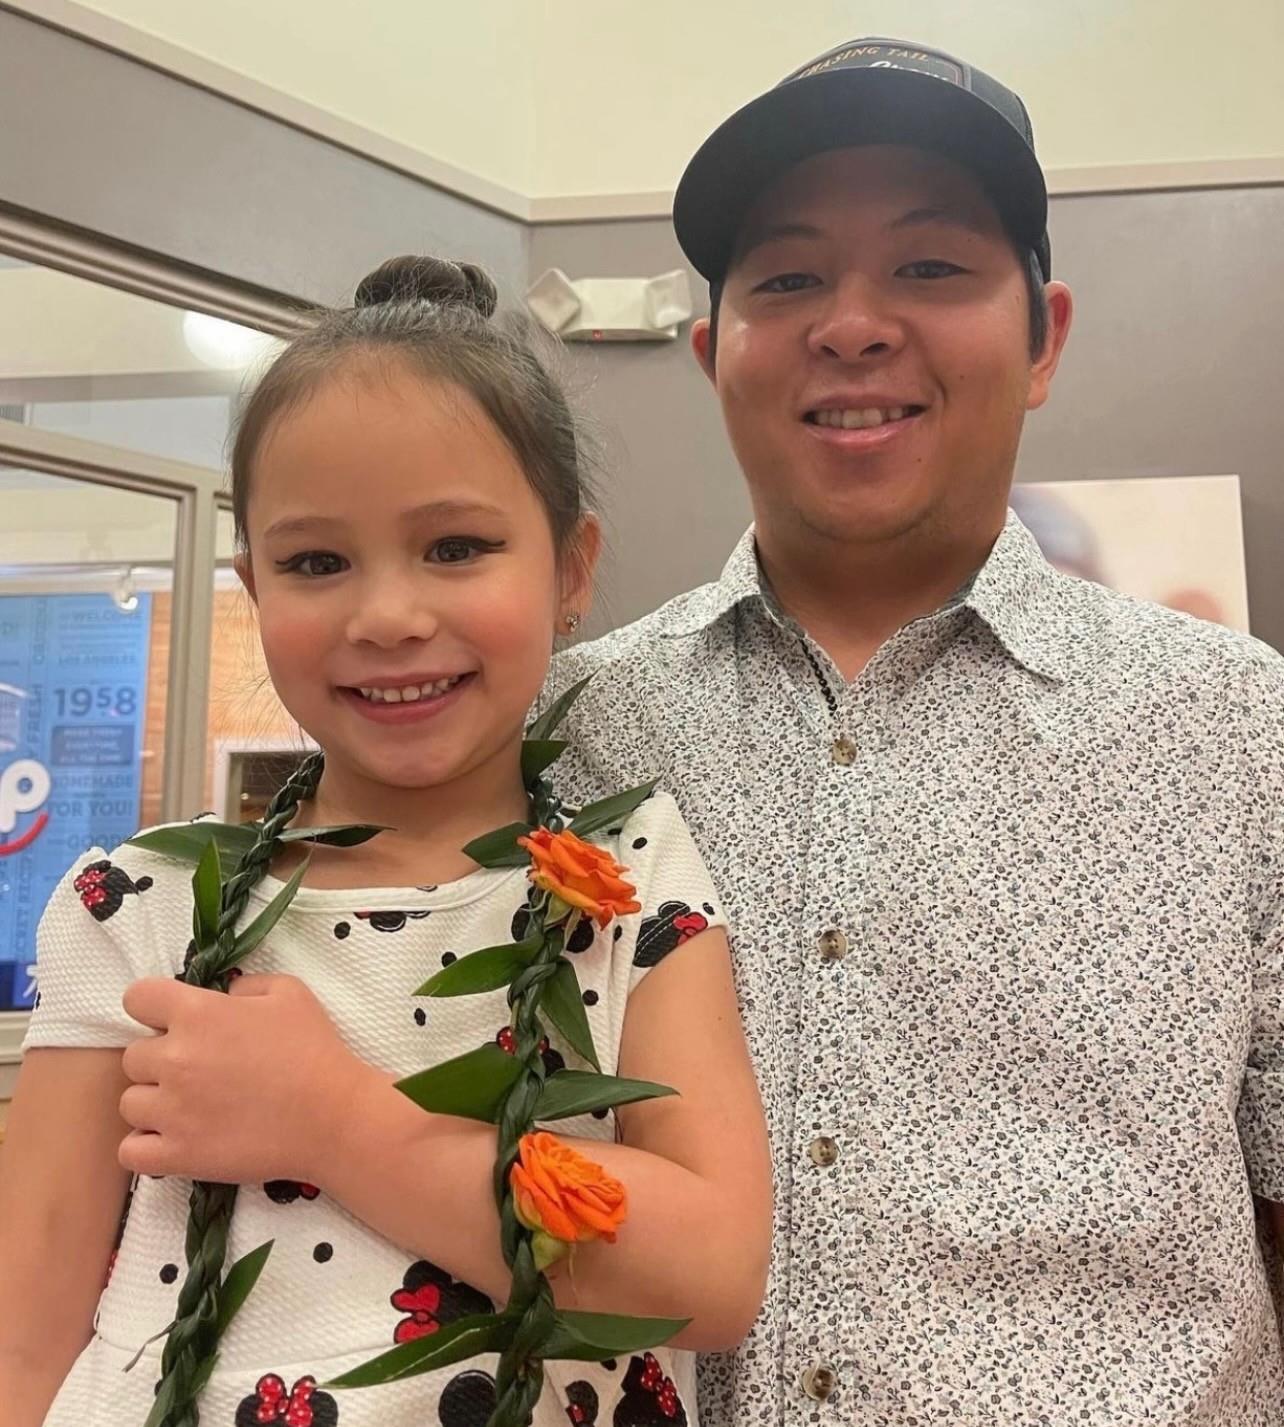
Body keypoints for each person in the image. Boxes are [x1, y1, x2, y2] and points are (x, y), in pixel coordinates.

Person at [546, 37, 1284, 1426]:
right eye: (788, 278)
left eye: (932, 265)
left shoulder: (1244, 731)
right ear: (712, 354)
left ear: (1045, 337)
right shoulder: (570, 735)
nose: (853, 325)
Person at [0, 256, 771, 1427]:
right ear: (254, 584)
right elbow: (22, 1334)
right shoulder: (137, 902)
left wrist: (341, 1123)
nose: (388, 616)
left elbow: (710, 1272)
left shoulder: (621, 878)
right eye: (316, 562)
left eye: (455, 546)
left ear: (570, 568)